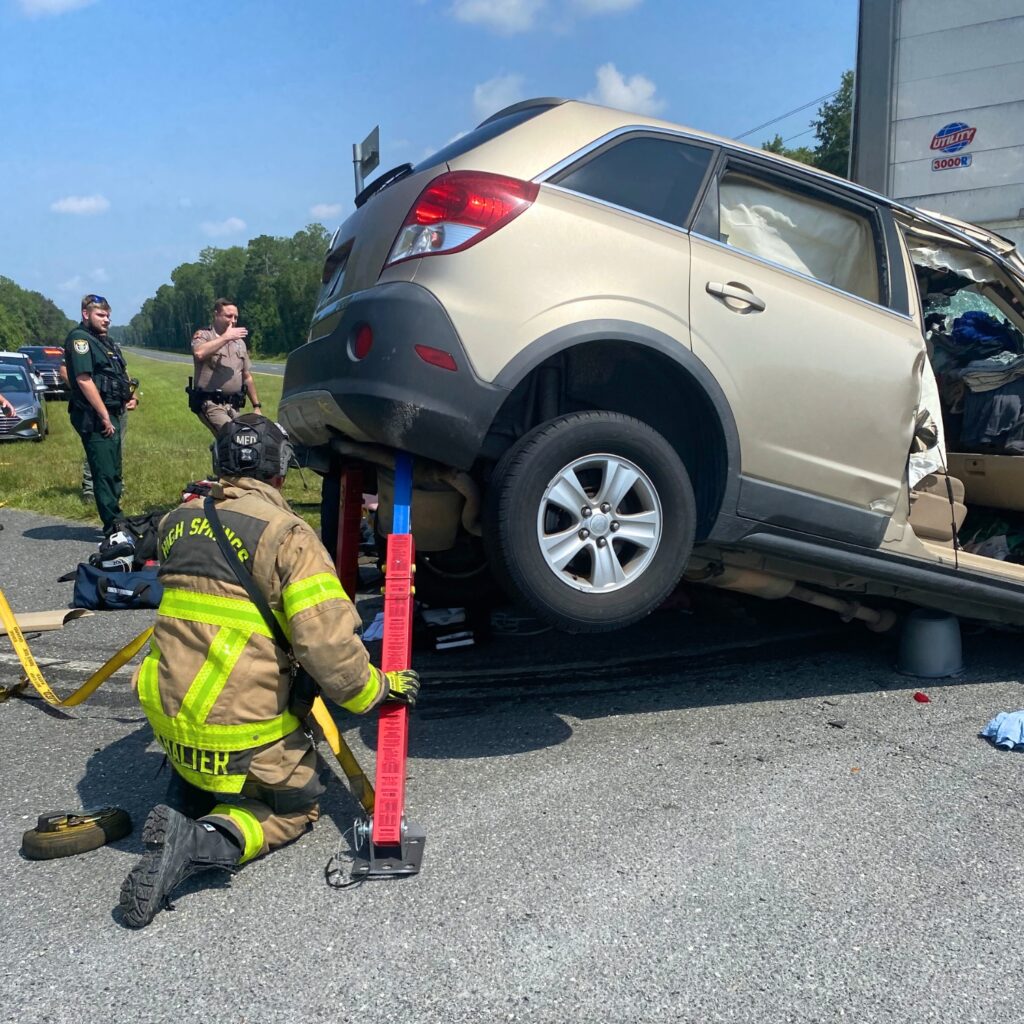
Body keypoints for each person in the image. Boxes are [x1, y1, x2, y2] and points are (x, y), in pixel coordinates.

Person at [119, 415, 420, 928]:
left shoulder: (177, 521)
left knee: (214, 742)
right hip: (238, 732)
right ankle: (203, 839)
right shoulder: (288, 537)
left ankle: (189, 792)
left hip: (170, 721)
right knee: (294, 805)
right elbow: (327, 645)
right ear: (280, 474)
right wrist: (378, 690)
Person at [63, 294, 138, 533]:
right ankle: (113, 524)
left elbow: (115, 375)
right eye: (101, 315)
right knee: (104, 470)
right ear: (86, 314)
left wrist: (128, 396)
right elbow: (84, 380)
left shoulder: (105, 342)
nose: (106, 320)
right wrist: (104, 415)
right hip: (94, 417)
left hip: (113, 411)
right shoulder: (80, 340)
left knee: (114, 468)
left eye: (108, 315)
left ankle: (116, 516)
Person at [189, 299, 262, 436]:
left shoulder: (239, 343)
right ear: (216, 315)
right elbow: (199, 353)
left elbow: (246, 376)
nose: (233, 320)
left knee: (249, 438)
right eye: (228, 316)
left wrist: (256, 406)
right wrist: (226, 337)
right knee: (231, 437)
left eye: (236, 317)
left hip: (234, 405)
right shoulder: (204, 335)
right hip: (210, 403)